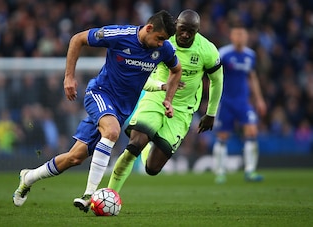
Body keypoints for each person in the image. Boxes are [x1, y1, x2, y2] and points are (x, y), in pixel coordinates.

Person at [13, 10, 182, 213]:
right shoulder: (119, 35)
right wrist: (69, 77)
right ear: (148, 28)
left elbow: (176, 70)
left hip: (121, 109)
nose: (162, 43)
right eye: (160, 38)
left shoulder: (164, 49)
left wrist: (169, 99)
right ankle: (89, 194)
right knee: (112, 132)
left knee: (74, 157)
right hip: (100, 94)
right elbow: (77, 39)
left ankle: (28, 177)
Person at [107, 9, 223, 193]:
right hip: (156, 98)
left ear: (198, 30)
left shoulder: (207, 50)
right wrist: (162, 86)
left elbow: (217, 80)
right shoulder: (162, 41)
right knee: (134, 146)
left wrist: (211, 113)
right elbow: (141, 75)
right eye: (182, 29)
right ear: (176, 24)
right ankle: (109, 193)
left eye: (190, 31)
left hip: (183, 109)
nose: (185, 34)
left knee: (152, 169)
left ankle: (149, 146)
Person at [212, 23, 267, 184]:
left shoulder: (251, 55)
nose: (240, 37)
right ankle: (220, 172)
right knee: (223, 136)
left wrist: (259, 99)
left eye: (243, 34)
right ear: (231, 36)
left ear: (247, 37)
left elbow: (252, 77)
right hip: (226, 101)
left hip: (243, 101)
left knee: (252, 131)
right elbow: (213, 75)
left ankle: (250, 171)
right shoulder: (223, 54)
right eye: (237, 34)